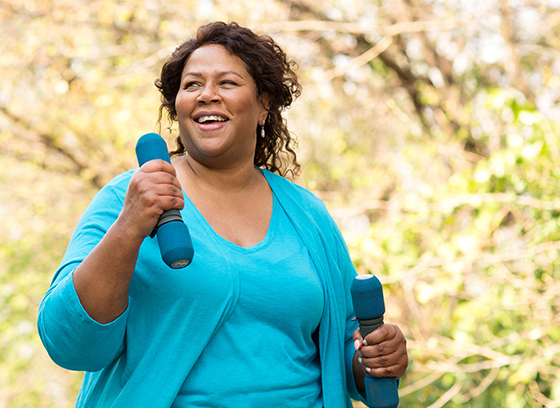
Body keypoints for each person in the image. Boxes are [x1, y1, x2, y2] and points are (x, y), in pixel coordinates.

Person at [37, 21, 408, 407]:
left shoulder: (307, 214)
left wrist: (375, 360)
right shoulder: (126, 199)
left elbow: (344, 346)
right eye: (192, 85)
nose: (206, 95)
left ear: (264, 104)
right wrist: (129, 228)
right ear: (176, 107)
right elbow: (68, 342)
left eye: (227, 83)